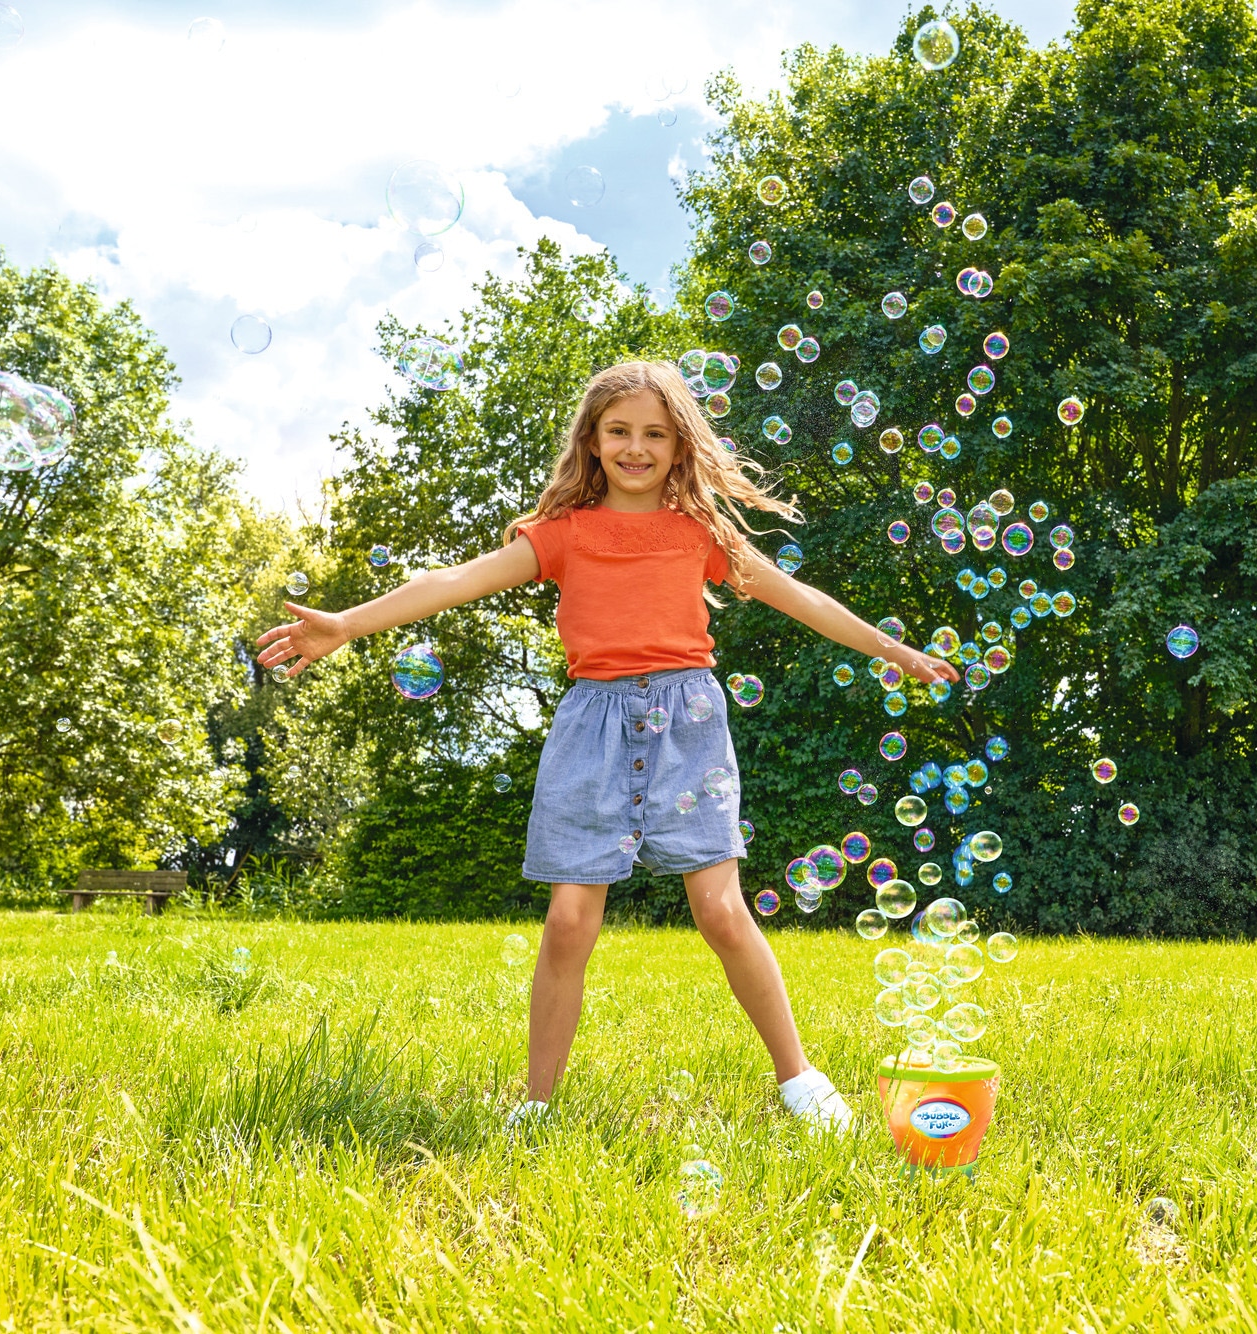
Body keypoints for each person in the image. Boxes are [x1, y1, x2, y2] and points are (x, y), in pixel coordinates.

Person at [254, 360, 958, 1130]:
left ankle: (799, 1082)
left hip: (688, 722)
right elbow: (454, 579)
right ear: (590, 440)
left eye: (655, 433)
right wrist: (347, 622)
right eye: (619, 430)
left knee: (722, 912)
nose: (636, 446)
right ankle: (537, 1104)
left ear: (680, 445)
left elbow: (801, 598)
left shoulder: (700, 534)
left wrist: (893, 651)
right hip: (592, 725)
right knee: (567, 922)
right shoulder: (562, 535)